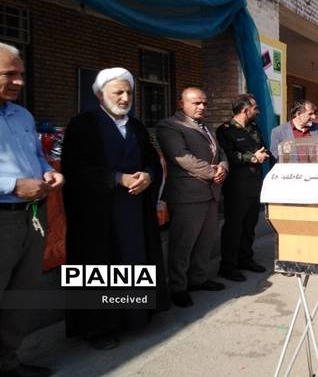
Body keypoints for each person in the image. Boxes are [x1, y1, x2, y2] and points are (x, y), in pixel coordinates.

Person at [61, 67, 169, 350]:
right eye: (117, 92)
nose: (124, 98)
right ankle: (97, 328)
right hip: (98, 213)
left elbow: (152, 160)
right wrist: (116, 178)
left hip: (134, 209)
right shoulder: (83, 125)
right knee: (100, 267)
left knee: (133, 260)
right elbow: (76, 168)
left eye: (128, 92)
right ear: (100, 95)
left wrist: (148, 175)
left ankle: (135, 316)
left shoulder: (137, 127)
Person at [0, 43, 62, 377]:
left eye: (21, 74)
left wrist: (48, 172)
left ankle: (8, 363)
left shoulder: (23, 115)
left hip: (33, 215)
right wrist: (11, 185)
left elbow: (37, 157)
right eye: (9, 74)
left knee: (21, 295)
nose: (19, 82)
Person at [156, 87, 228, 308]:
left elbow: (221, 153)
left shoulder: (206, 126)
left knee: (206, 241)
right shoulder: (169, 126)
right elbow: (182, 158)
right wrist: (212, 172)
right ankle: (178, 286)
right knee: (183, 243)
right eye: (196, 103)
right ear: (181, 103)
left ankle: (198, 279)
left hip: (211, 193)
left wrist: (224, 167)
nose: (202, 107)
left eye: (204, 103)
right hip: (187, 195)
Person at [216, 94, 269, 282]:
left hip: (254, 184)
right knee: (234, 227)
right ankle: (228, 266)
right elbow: (228, 156)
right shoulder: (225, 130)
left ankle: (246, 259)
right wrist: (253, 157)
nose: (258, 111)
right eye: (255, 108)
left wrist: (263, 154)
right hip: (237, 187)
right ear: (245, 110)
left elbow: (261, 148)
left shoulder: (254, 128)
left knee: (249, 225)